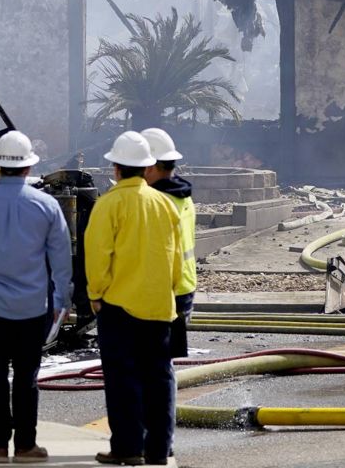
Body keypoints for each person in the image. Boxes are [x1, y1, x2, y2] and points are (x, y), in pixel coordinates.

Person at [0, 131, 72, 464]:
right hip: (33, 308)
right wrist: (61, 302)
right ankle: (25, 446)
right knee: (26, 378)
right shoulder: (46, 205)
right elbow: (61, 258)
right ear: (27, 168)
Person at [86, 131, 183, 467]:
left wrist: (95, 294)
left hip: (119, 307)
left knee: (122, 380)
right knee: (158, 380)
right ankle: (158, 451)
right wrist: (171, 294)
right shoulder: (165, 205)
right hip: (159, 307)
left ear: (116, 169)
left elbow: (98, 256)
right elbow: (175, 259)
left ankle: (127, 448)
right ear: (146, 168)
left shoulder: (108, 204)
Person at [140, 128, 196, 462]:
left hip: (165, 292)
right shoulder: (183, 195)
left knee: (155, 371)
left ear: (150, 167)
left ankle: (156, 443)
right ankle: (161, 440)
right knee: (161, 368)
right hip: (183, 289)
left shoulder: (161, 201)